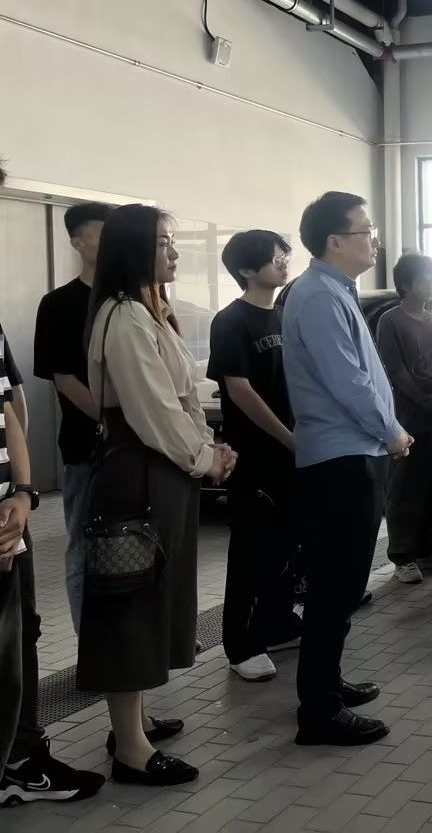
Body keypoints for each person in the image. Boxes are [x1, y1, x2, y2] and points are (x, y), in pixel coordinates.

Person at [83, 204, 234, 785]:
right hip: (137, 474)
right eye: (164, 242)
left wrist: (207, 448)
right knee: (130, 600)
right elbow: (153, 411)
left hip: (161, 470)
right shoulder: (124, 318)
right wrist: (203, 457)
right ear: (132, 249)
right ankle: (129, 748)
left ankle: (136, 721)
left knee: (153, 592)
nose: (174, 252)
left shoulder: (150, 311)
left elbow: (183, 399)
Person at [283, 191, 409, 746]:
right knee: (336, 584)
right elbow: (348, 380)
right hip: (341, 457)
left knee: (343, 582)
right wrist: (391, 430)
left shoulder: (334, 291)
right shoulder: (317, 296)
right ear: (335, 241)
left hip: (353, 451)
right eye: (366, 231)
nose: (374, 240)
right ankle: (319, 711)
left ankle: (326, 683)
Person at [0, 320, 105, 806]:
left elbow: (7, 409)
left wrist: (23, 493)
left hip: (8, 516)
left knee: (21, 637)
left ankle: (21, 760)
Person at [207, 230, 300, 684]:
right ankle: (241, 645)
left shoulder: (284, 315)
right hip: (255, 457)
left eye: (284, 253)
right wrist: (288, 437)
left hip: (292, 453)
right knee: (251, 550)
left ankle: (277, 623)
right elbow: (239, 389)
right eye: (273, 255)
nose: (283, 261)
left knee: (286, 543)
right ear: (246, 269)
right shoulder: (231, 320)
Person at [33, 201, 115, 634]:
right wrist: (114, 421)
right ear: (77, 242)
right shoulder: (59, 304)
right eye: (102, 234)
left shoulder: (134, 298)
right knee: (84, 544)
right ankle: (92, 646)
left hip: (140, 446)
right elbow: (63, 379)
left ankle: (138, 640)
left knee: (137, 541)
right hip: (87, 446)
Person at [376, 254, 432, 585]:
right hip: (408, 419)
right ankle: (402, 556)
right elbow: (395, 371)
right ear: (405, 284)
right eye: (426, 279)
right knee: (405, 488)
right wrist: (424, 399)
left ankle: (425, 549)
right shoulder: (391, 320)